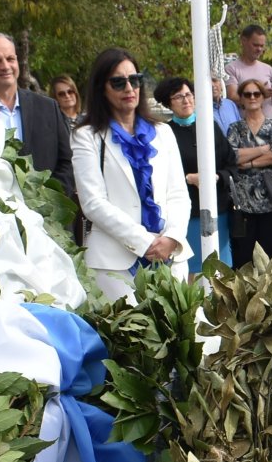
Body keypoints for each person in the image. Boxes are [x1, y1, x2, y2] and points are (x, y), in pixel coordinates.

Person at [71, 47, 188, 301]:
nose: (129, 88)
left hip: (170, 258)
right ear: (102, 88)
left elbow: (178, 193)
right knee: (127, 339)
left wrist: (171, 237)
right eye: (118, 82)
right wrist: (144, 242)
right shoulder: (86, 137)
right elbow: (93, 202)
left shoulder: (163, 132)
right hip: (114, 265)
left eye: (134, 80)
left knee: (178, 336)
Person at [0, 31, 76, 203]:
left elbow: (68, 161)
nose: (5, 66)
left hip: (47, 218)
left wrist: (46, 200)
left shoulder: (48, 108)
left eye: (10, 59)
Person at [154, 76, 236, 271]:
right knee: (188, 268)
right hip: (187, 213)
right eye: (178, 97)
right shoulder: (165, 133)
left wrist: (216, 177)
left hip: (218, 208)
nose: (186, 100)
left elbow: (231, 164)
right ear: (168, 103)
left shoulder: (210, 127)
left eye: (188, 94)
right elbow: (160, 172)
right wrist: (188, 178)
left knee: (220, 268)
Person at [225, 76, 272, 263]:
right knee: (243, 257)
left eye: (256, 93)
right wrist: (263, 149)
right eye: (247, 94)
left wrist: (250, 162)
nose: (252, 97)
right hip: (243, 202)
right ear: (242, 99)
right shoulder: (235, 128)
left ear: (263, 97)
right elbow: (234, 157)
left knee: (270, 256)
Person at [223, 23, 272, 104]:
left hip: (270, 116)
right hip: (244, 117)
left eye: (262, 46)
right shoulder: (231, 69)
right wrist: (262, 94)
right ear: (244, 41)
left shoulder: (268, 69)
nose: (259, 49)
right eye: (255, 45)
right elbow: (232, 97)